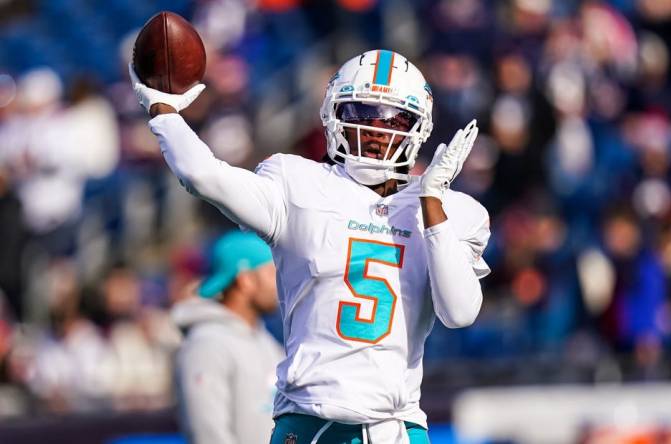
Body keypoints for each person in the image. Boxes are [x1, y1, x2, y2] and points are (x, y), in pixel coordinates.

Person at [130, 49, 491, 443]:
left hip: (397, 427)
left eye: (394, 117)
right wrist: (164, 112)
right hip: (309, 422)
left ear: (419, 127)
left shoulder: (450, 209)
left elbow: (459, 312)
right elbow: (204, 176)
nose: (376, 128)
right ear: (332, 114)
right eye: (361, 112)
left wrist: (432, 201)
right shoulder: (296, 182)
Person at [172, 230, 284, 444]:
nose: (278, 283)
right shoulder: (206, 344)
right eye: (270, 273)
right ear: (245, 280)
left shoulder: (265, 341)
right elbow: (208, 434)